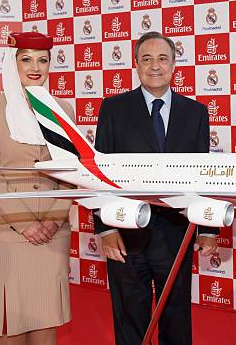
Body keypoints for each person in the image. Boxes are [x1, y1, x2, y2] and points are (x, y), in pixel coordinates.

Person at [93, 31, 219, 345]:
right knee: (130, 321)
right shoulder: (113, 108)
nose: (155, 66)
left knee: (176, 321)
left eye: (162, 59)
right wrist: (105, 230)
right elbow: (97, 174)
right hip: (126, 234)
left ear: (174, 65)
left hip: (177, 234)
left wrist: (208, 229)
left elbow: (203, 175)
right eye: (146, 59)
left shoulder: (195, 113)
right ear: (135, 65)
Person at [0, 31, 75, 345]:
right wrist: (24, 223)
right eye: (26, 59)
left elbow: (72, 173)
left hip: (52, 233)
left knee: (47, 325)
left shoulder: (63, 110)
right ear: (12, 63)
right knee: (12, 326)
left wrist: (53, 220)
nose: (36, 66)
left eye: (43, 60)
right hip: (6, 233)